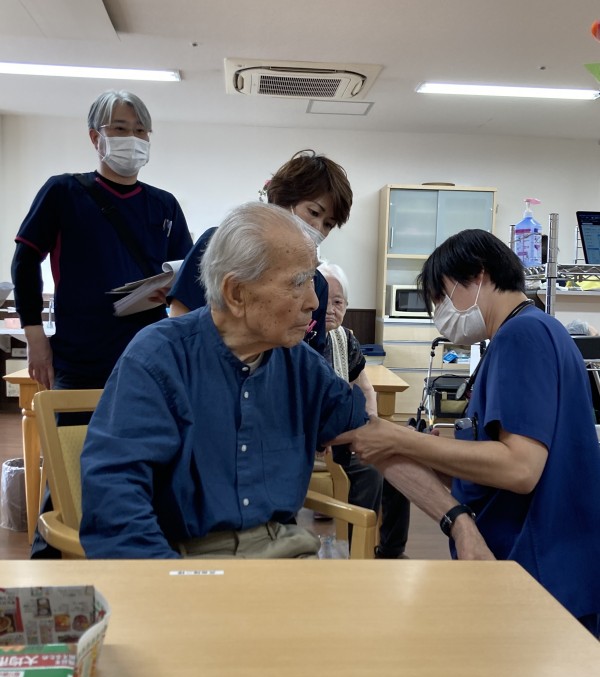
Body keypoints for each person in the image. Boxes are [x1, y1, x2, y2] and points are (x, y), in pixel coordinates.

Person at [332, 229, 600, 635]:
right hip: (550, 562)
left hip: (541, 568)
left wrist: (404, 439)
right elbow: (496, 466)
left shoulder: (523, 336)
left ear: (477, 274)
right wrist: (423, 453)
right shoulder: (532, 332)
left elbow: (519, 469)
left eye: (441, 297)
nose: (440, 313)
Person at [79, 202, 373, 559]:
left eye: (312, 280)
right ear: (236, 294)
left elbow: (365, 430)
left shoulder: (299, 364)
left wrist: (446, 502)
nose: (314, 301)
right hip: (191, 560)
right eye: (298, 283)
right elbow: (116, 501)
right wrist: (172, 580)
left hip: (287, 554)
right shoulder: (159, 359)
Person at [11, 89, 193, 391]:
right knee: (75, 425)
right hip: (80, 360)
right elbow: (25, 262)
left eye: (140, 130)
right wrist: (35, 336)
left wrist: (172, 293)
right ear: (96, 138)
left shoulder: (164, 204)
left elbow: (186, 273)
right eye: (120, 128)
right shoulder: (63, 192)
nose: (132, 138)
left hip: (149, 359)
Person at [167, 149, 353, 354]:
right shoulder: (219, 246)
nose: (318, 228)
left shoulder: (318, 285)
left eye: (328, 224)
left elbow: (310, 360)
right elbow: (179, 326)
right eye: (314, 212)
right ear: (283, 201)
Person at [317, 262, 410, 558]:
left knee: (401, 453)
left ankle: (391, 550)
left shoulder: (345, 339)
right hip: (318, 439)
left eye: (338, 302)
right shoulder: (298, 340)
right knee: (370, 470)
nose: (330, 309)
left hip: (348, 432)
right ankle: (356, 551)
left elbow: (366, 389)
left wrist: (371, 424)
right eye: (324, 299)